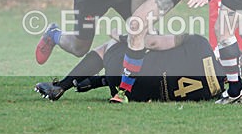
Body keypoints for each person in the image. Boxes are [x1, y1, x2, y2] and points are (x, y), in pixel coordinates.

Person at [35, 34, 226, 103]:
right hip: (138, 97)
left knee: (108, 47)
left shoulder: (201, 45)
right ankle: (97, 81)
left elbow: (154, 43)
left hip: (126, 84)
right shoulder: (217, 91)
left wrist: (126, 38)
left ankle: (62, 86)